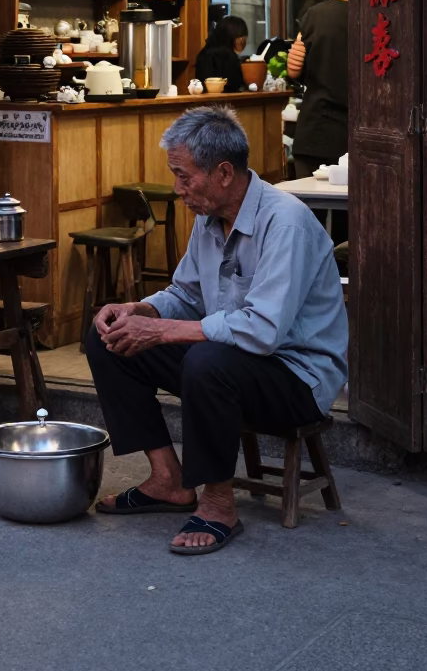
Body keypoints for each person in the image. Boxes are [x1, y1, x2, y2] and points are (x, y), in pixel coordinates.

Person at [86, 106, 348, 556]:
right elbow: (186, 294)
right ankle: (168, 479)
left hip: (296, 375)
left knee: (207, 361)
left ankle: (218, 503)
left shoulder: (284, 222)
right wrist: (140, 310)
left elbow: (263, 331)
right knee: (109, 338)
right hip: (239, 363)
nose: (178, 189)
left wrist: (166, 331)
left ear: (224, 172)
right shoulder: (209, 218)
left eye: (184, 177)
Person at [286, 0, 349, 179]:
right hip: (355, 135)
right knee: (352, 209)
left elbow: (294, 68)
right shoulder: (373, 17)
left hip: (316, 130)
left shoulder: (315, 15)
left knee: (310, 209)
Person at [194, 16, 248, 92]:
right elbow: (235, 85)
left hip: (204, 100)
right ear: (237, 37)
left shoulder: (203, 53)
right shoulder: (228, 56)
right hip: (227, 101)